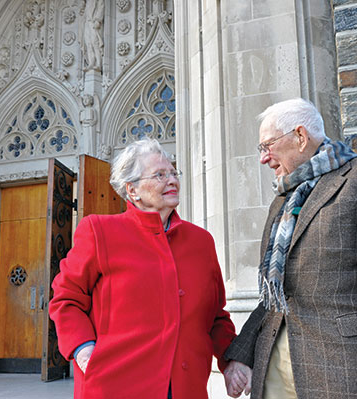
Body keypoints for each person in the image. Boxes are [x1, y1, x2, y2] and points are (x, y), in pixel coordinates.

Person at [222, 98, 357, 399]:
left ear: (300, 137)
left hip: (340, 372)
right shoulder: (284, 199)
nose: (264, 158)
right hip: (273, 372)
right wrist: (241, 354)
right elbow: (275, 294)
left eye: (268, 146)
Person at [49, 138, 236, 398]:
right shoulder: (99, 231)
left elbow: (216, 316)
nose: (171, 180)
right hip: (114, 385)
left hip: (186, 387)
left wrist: (231, 362)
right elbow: (66, 300)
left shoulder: (202, 242)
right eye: (159, 175)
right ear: (132, 190)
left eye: (173, 172)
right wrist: (84, 350)